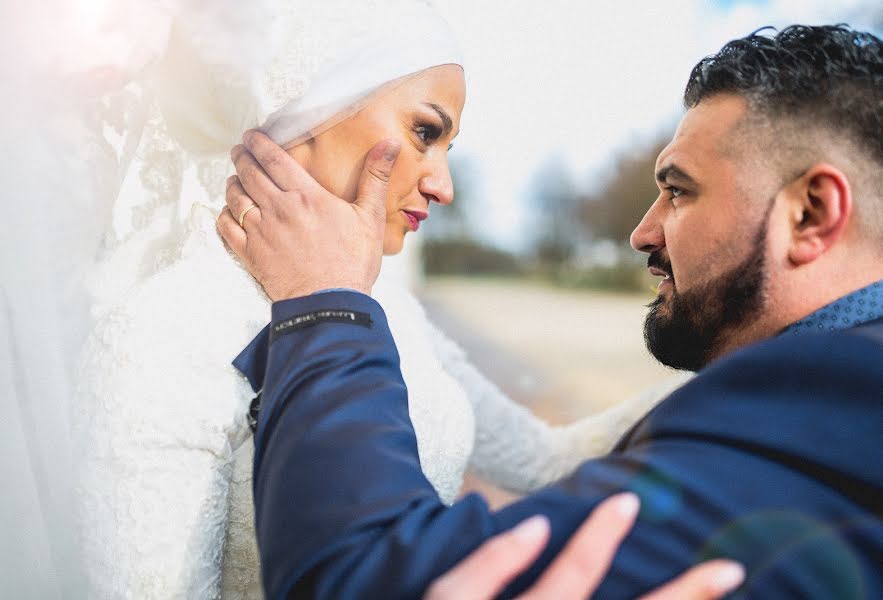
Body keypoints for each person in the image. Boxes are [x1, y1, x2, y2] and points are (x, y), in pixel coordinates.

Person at [218, 24, 883, 598]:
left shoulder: (820, 408)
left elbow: (361, 580)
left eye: (677, 192)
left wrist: (322, 305)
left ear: (810, 213)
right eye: (424, 132)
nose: (641, 233)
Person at [74, 1, 682, 598]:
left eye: (448, 148)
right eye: (425, 132)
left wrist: (748, 371)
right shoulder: (158, 334)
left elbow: (545, 459)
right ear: (311, 111)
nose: (442, 187)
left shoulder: (390, 304)